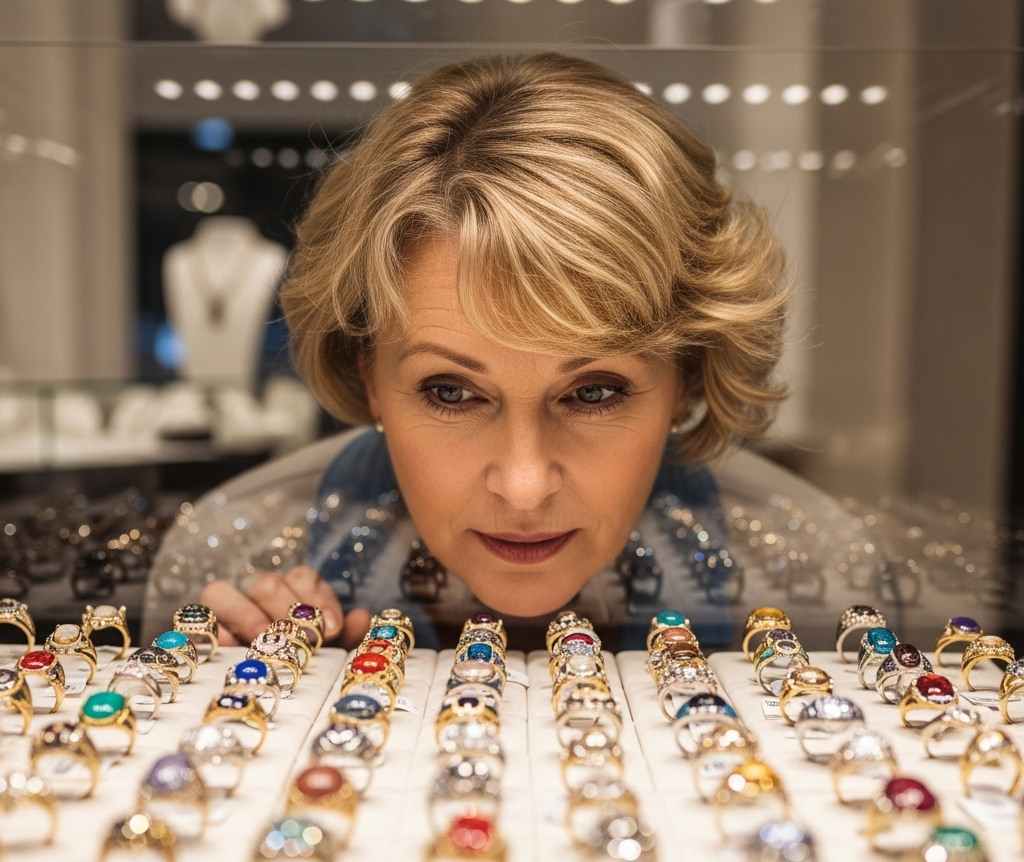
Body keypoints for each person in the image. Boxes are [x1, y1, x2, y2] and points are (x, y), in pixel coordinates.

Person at [198, 52, 787, 650]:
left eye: (593, 392)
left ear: (686, 378)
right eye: (450, 392)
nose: (524, 488)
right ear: (368, 375)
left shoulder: (811, 578)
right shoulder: (225, 559)